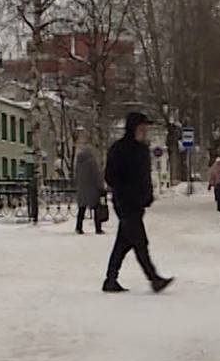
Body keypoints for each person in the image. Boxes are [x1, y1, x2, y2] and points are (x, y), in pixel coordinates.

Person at [103, 111, 171, 294]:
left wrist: (147, 195)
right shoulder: (119, 149)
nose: (145, 131)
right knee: (140, 242)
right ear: (133, 127)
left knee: (124, 243)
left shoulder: (142, 150)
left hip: (138, 204)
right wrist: (126, 189)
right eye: (142, 127)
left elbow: (145, 177)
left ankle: (110, 279)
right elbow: (110, 176)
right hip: (125, 203)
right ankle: (154, 278)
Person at [73, 137, 105, 235]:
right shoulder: (92, 162)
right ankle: (98, 228)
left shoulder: (78, 163)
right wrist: (101, 187)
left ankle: (79, 227)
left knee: (81, 209)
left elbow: (76, 176)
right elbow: (97, 176)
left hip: (82, 190)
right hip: (92, 190)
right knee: (96, 209)